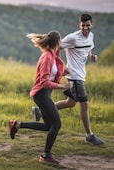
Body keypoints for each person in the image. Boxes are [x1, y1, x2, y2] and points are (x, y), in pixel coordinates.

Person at [32, 13, 104, 145]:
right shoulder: (72, 38)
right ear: (79, 25)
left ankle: (40, 111)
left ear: (92, 24)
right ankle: (89, 135)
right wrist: (59, 66)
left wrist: (91, 56)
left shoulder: (91, 37)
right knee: (85, 104)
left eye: (88, 25)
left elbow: (87, 49)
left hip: (81, 75)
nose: (85, 28)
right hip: (74, 76)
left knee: (70, 102)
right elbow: (56, 47)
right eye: (83, 26)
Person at [9, 31, 72, 164]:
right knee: (57, 124)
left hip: (45, 94)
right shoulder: (47, 57)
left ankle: (17, 125)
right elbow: (44, 82)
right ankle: (45, 155)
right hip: (41, 94)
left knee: (48, 126)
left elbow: (55, 70)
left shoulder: (53, 55)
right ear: (58, 42)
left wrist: (67, 72)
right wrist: (63, 87)